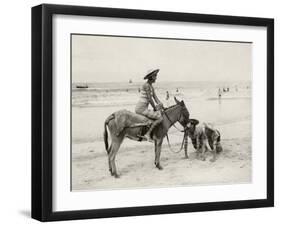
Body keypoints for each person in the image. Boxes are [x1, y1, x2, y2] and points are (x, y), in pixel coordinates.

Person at [135, 69, 163, 142]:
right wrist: (155, 108)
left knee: (159, 113)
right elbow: (150, 99)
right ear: (151, 77)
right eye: (155, 76)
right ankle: (147, 134)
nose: (156, 77)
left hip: (144, 108)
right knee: (160, 118)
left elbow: (155, 97)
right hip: (141, 108)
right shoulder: (146, 85)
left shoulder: (151, 86)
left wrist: (160, 104)